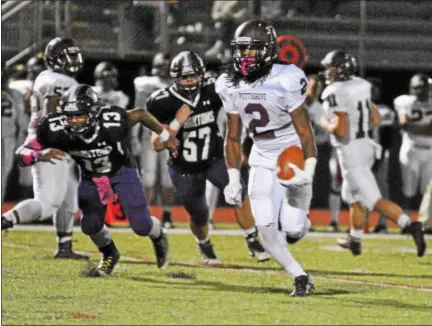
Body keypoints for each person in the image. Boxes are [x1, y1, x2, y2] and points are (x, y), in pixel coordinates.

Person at [12, 84, 180, 276]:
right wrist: (38, 156)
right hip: (92, 177)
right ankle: (109, 252)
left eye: (80, 115)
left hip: (121, 172)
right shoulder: (52, 127)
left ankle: (158, 235)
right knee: (89, 225)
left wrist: (165, 135)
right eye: (70, 115)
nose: (74, 121)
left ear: (93, 113)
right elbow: (22, 154)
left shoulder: (112, 121)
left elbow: (141, 113)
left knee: (141, 226)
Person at [216, 20, 317, 296]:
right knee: (266, 228)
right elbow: (233, 137)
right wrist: (233, 179)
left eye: (251, 49)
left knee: (294, 227)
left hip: (290, 148)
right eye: (241, 49)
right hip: (260, 151)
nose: (244, 56)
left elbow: (306, 132)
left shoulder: (286, 77)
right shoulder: (228, 82)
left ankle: (303, 221)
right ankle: (300, 276)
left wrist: (308, 168)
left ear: (268, 51)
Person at [150, 51, 270, 264]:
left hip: (214, 158)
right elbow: (158, 144)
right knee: (199, 215)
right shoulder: (163, 101)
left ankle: (252, 238)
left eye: (194, 76)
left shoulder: (212, 89)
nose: (190, 82)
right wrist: (177, 122)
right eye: (185, 77)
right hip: (184, 167)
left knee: (238, 191)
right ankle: (204, 244)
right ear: (175, 77)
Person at [319, 50, 426, 257]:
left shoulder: (335, 91)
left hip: (351, 151)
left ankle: (411, 225)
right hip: (366, 145)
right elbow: (375, 117)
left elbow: (340, 129)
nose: (326, 72)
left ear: (340, 69)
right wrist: (357, 125)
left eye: (330, 67)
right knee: (350, 195)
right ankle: (355, 239)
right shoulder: (360, 85)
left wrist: (325, 123)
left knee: (373, 199)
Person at [1, 37, 88, 259]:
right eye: (67, 56)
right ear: (55, 59)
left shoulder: (44, 76)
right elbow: (51, 108)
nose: (73, 60)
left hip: (50, 141)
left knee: (69, 195)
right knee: (47, 204)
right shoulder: (61, 81)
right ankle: (5, 220)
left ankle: (65, 247)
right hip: (51, 143)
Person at [132, 52, 176, 229]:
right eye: (161, 65)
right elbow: (138, 111)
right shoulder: (145, 84)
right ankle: (145, 213)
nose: (164, 69)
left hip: (171, 136)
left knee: (168, 180)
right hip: (148, 136)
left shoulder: (177, 85)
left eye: (167, 65)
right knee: (148, 177)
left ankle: (167, 215)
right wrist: (134, 136)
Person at [394, 73, 432, 223]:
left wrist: (413, 127)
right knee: (408, 190)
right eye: (417, 88)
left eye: (423, 87)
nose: (420, 91)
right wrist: (423, 129)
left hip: (430, 150)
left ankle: (425, 223)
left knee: (429, 189)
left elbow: (409, 126)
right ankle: (407, 223)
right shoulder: (404, 101)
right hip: (411, 149)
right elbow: (404, 125)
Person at [9, 54, 46, 196]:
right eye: (37, 67)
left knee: (32, 178)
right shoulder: (18, 86)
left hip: (38, 136)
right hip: (19, 133)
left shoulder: (49, 85)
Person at [367, 77, 397, 234]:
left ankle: (382, 223)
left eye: (376, 88)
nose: (373, 91)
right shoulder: (357, 106)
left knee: (381, 189)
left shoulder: (385, 110)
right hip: (360, 154)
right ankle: (361, 223)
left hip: (379, 151)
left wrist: (380, 155)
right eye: (371, 88)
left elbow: (386, 136)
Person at [1, 63, 28, 201]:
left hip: (6, 138)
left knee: (2, 178)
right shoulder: (14, 93)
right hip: (7, 138)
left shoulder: (14, 93)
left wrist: (20, 142)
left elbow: (21, 121)